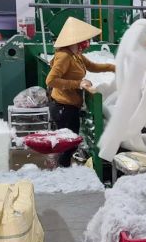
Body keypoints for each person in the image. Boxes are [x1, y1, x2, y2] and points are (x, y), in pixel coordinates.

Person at [46, 17, 115, 166]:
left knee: (70, 142)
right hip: (63, 107)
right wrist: (78, 84)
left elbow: (92, 66)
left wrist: (113, 67)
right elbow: (50, 80)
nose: (87, 43)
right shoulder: (64, 56)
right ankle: (62, 172)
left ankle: (63, 168)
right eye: (85, 40)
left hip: (70, 106)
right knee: (68, 144)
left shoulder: (75, 54)